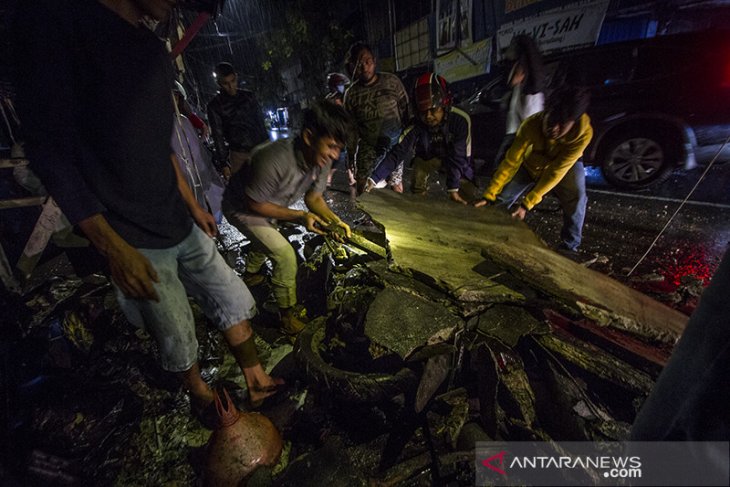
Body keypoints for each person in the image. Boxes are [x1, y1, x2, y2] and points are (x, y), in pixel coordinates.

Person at [13, 0, 281, 420]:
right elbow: (51, 154)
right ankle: (198, 393)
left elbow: (163, 147)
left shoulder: (151, 51)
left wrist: (194, 206)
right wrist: (111, 247)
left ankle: (257, 378)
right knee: (174, 329)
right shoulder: (61, 30)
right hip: (132, 235)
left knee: (230, 295)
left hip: (178, 219)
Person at [223, 100, 352, 337]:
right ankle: (287, 316)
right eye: (331, 146)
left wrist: (335, 221)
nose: (335, 155)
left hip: (269, 202)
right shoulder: (272, 158)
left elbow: (314, 198)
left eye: (339, 148)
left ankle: (251, 274)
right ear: (308, 136)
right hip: (241, 206)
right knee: (284, 254)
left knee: (270, 232)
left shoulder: (321, 159)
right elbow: (255, 204)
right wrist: (301, 216)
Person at [474, 86, 592, 252]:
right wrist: (490, 194)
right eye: (551, 121)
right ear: (545, 113)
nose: (555, 129)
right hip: (533, 160)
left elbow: (555, 172)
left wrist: (526, 205)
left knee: (577, 197)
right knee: (502, 198)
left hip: (564, 166)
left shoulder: (583, 134)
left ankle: (570, 246)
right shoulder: (530, 124)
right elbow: (511, 162)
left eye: (562, 124)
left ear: (573, 122)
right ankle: (489, 231)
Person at [365, 72, 476, 204]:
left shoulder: (460, 120)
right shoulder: (416, 124)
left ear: (445, 105)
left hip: (457, 159)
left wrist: (453, 189)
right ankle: (419, 200)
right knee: (418, 169)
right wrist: (373, 179)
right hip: (428, 157)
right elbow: (396, 154)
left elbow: (460, 158)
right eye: (423, 111)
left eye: (433, 110)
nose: (428, 116)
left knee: (467, 193)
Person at [343, 42, 410, 194]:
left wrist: (407, 140)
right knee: (362, 183)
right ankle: (366, 214)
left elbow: (405, 110)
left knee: (396, 185)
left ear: (374, 60)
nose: (364, 67)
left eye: (367, 61)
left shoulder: (392, 82)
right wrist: (351, 155)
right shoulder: (351, 94)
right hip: (368, 145)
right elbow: (351, 128)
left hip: (394, 143)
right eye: (359, 64)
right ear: (353, 66)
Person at [172, 82, 226, 223]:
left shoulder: (184, 121)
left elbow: (197, 153)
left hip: (197, 179)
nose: (173, 101)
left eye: (176, 97)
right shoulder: (160, 126)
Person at [207, 62, 269, 178]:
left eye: (233, 81)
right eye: (226, 83)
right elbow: (217, 135)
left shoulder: (249, 97)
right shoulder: (215, 106)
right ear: (219, 83)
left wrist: (268, 146)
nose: (231, 86)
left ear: (236, 77)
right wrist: (223, 163)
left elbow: (260, 124)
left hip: (259, 149)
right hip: (238, 154)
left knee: (268, 187)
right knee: (244, 192)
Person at [493, 34, 546, 171]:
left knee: (502, 168)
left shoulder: (531, 97)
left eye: (518, 71)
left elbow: (529, 124)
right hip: (517, 137)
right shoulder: (521, 90)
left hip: (521, 139)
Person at [324, 72, 350, 186]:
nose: (342, 87)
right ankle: (327, 177)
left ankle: (352, 177)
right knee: (340, 155)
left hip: (347, 131)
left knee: (350, 154)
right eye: (340, 84)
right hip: (336, 132)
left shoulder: (345, 97)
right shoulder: (330, 100)